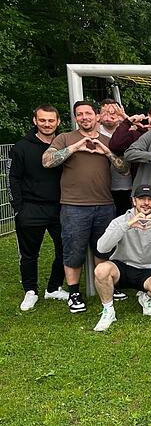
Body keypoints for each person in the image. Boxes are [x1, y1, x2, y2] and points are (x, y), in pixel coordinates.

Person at [42, 101, 129, 313]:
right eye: (79, 114)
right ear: (75, 118)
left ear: (97, 116)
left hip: (104, 204)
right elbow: (47, 161)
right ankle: (73, 292)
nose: (84, 117)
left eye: (88, 113)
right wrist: (75, 147)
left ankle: (107, 285)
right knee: (74, 250)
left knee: (103, 248)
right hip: (74, 206)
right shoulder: (65, 138)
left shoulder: (108, 140)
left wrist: (107, 152)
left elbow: (124, 169)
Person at [92, 185, 151, 331]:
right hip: (122, 266)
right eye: (141, 198)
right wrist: (127, 225)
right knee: (101, 270)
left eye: (150, 199)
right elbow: (102, 248)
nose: (146, 203)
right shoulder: (121, 220)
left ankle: (145, 296)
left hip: (147, 270)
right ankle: (108, 311)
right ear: (134, 201)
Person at [10, 104, 68, 310]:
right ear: (35, 121)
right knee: (29, 254)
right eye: (42, 120)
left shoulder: (65, 144)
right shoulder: (22, 147)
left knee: (65, 250)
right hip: (30, 208)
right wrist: (19, 206)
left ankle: (53, 287)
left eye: (51, 120)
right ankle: (30, 291)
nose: (47, 124)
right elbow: (14, 178)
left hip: (60, 207)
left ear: (58, 122)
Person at [98, 99, 134, 216]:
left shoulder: (129, 130)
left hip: (125, 187)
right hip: (101, 190)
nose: (110, 116)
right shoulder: (93, 132)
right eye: (105, 112)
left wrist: (125, 118)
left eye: (114, 113)